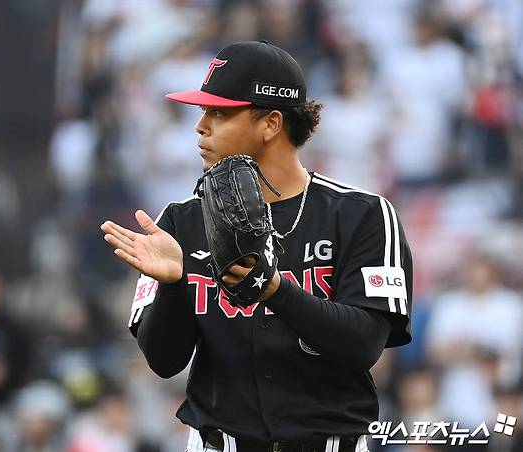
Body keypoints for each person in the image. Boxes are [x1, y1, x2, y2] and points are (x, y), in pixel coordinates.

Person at [101, 40, 413, 452]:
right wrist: (176, 287)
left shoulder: (362, 214)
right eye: (203, 112)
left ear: (270, 124)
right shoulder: (179, 222)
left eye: (220, 113)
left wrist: (274, 291)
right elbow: (164, 362)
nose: (201, 126)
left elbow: (364, 345)